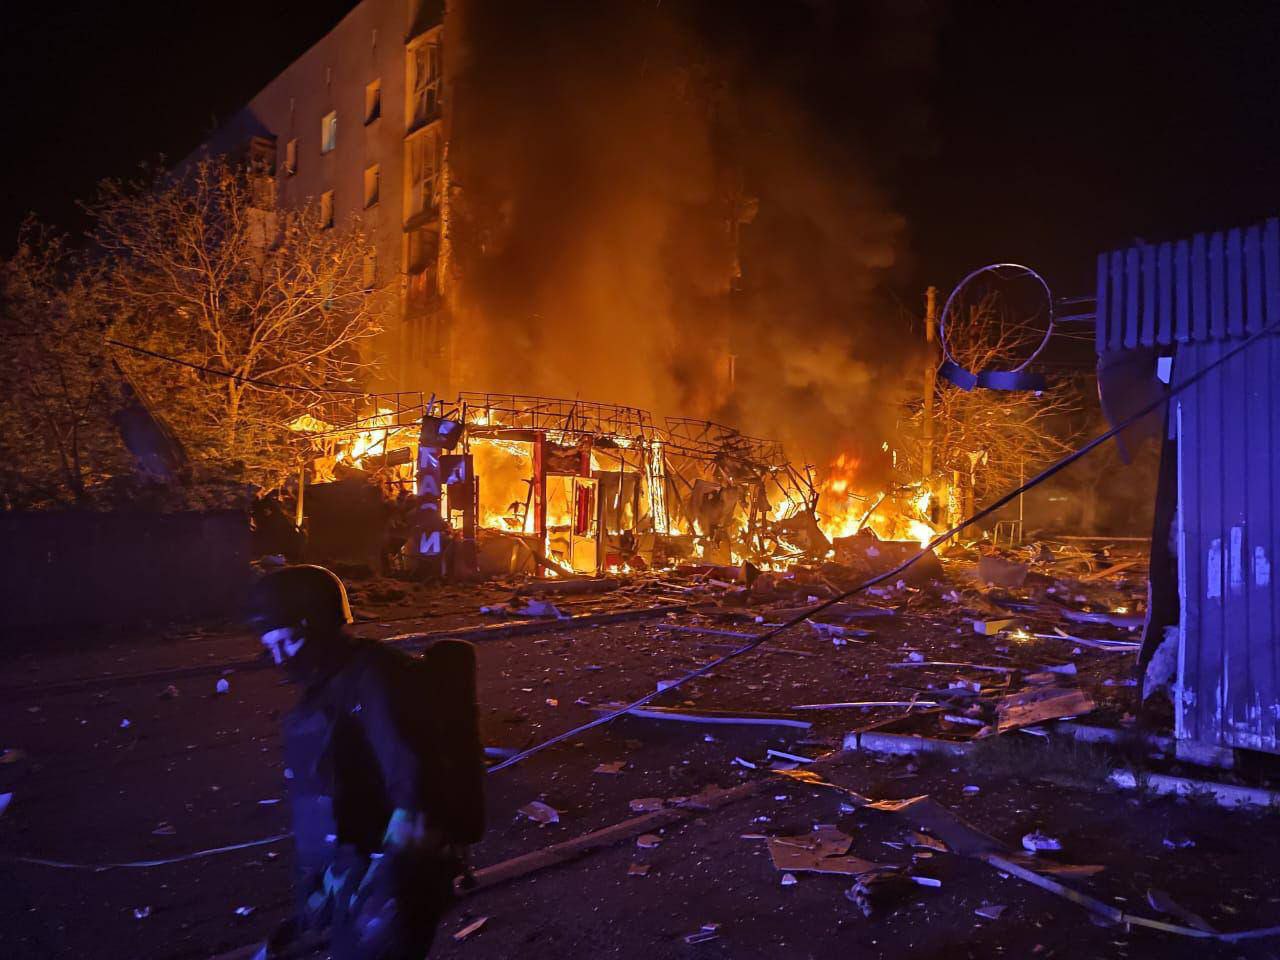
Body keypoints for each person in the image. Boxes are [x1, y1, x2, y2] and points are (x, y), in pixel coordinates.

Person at [248, 565, 485, 959]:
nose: (279, 658)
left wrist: (383, 893)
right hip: (356, 872)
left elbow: (414, 785)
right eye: (269, 646)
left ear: (321, 626)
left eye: (288, 641)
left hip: (392, 878)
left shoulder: (375, 678)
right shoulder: (328, 685)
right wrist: (320, 895)